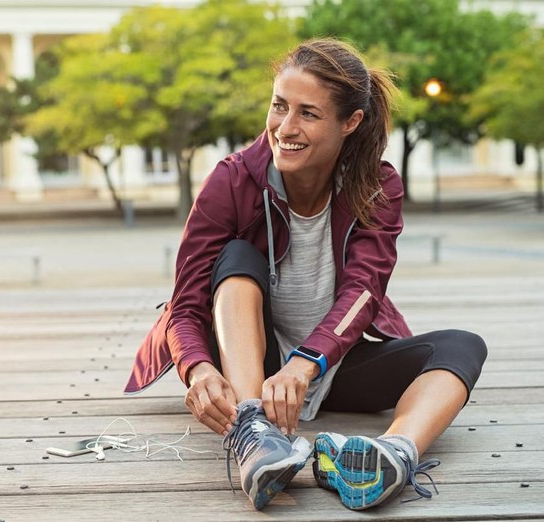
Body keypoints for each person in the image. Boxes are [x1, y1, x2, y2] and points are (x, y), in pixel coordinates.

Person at [124, 37, 487, 511]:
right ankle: (254, 434)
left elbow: (364, 291)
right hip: (252, 369)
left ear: (350, 122)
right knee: (236, 257)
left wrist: (307, 362)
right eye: (279, 106)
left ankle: (394, 454)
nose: (285, 127)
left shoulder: (377, 186)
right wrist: (198, 368)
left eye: (308, 114)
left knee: (462, 346)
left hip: (329, 363)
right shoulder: (232, 180)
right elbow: (186, 304)